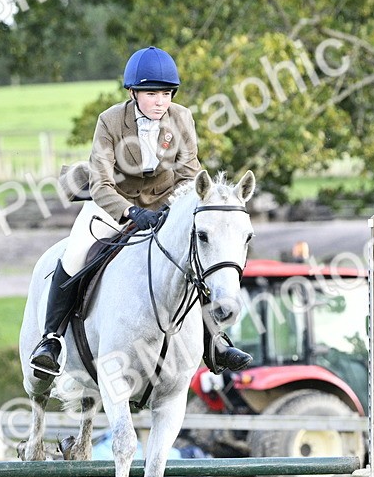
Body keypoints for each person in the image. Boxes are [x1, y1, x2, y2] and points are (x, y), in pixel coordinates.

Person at [28, 46, 252, 378]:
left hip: (165, 202)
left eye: (166, 93)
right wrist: (131, 212)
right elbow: (102, 183)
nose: (160, 101)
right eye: (151, 93)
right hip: (112, 202)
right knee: (75, 254)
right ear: (133, 93)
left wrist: (176, 208)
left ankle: (215, 341)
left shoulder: (182, 118)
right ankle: (52, 340)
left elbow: (190, 174)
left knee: (196, 257)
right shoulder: (110, 121)